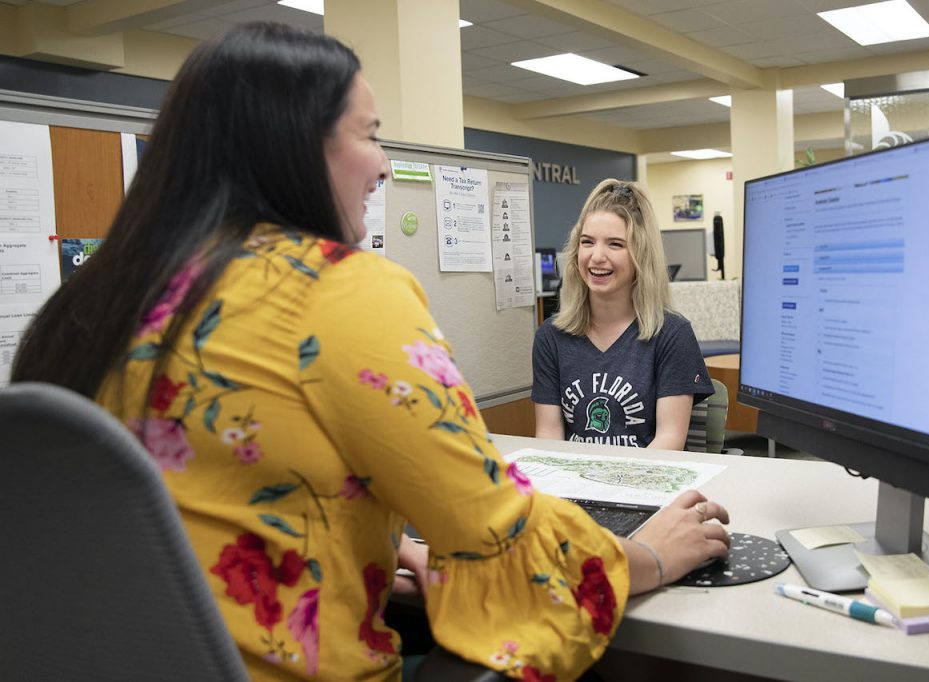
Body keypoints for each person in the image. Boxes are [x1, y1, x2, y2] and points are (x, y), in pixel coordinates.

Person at [12, 24, 729, 681]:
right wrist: (654, 555)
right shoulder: (341, 293)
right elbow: (503, 536)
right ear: (296, 147)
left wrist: (381, 557)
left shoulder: (93, 304)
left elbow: (203, 526)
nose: (384, 165)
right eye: (371, 135)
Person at [533, 179, 716, 450]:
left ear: (640, 255)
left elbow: (669, 442)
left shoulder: (671, 334)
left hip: (645, 485)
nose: (596, 256)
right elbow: (548, 436)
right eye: (587, 242)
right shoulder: (551, 337)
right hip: (572, 485)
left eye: (615, 244)